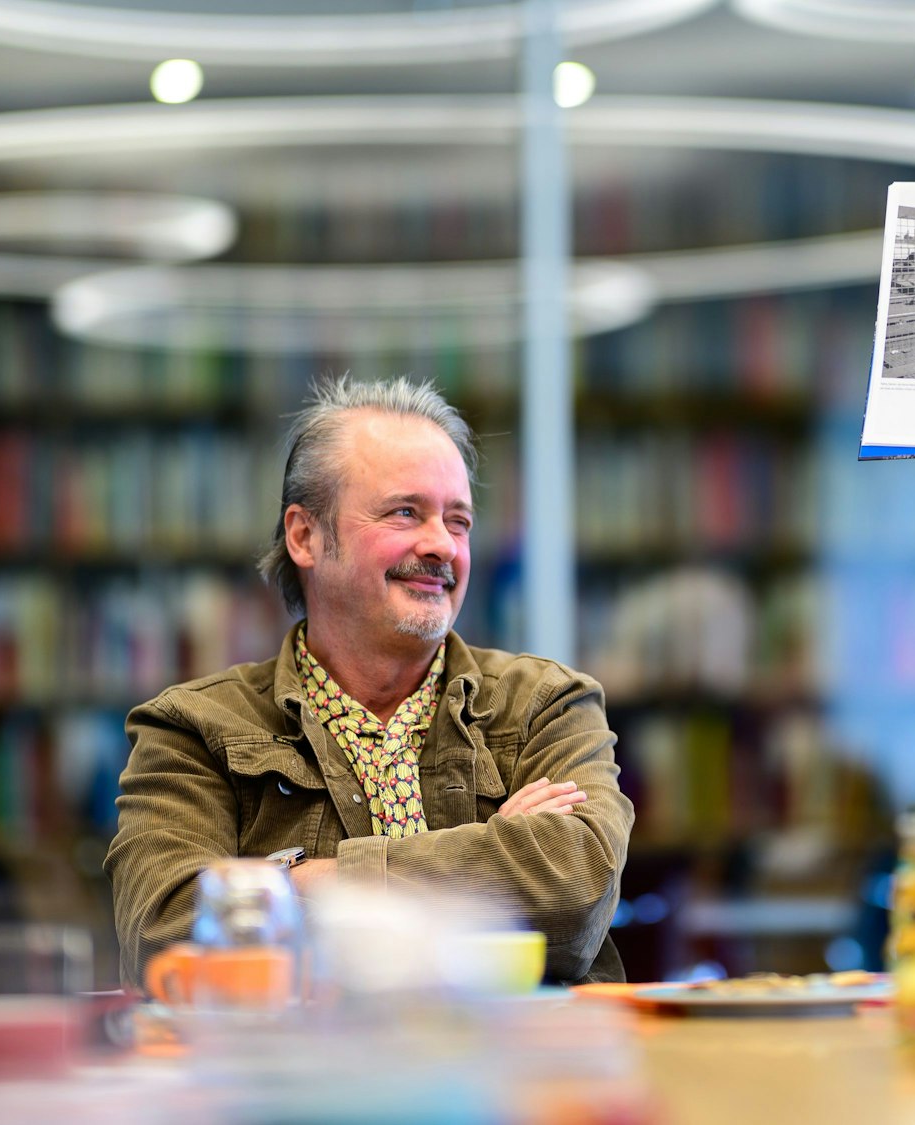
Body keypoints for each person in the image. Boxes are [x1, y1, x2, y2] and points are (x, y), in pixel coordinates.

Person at [106, 377, 632, 986]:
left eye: (457, 521)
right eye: (405, 512)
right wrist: (490, 854)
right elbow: (165, 932)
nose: (441, 546)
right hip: (291, 1075)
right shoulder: (193, 731)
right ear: (305, 535)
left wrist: (288, 884)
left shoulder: (547, 705)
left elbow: (572, 885)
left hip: (524, 1071)